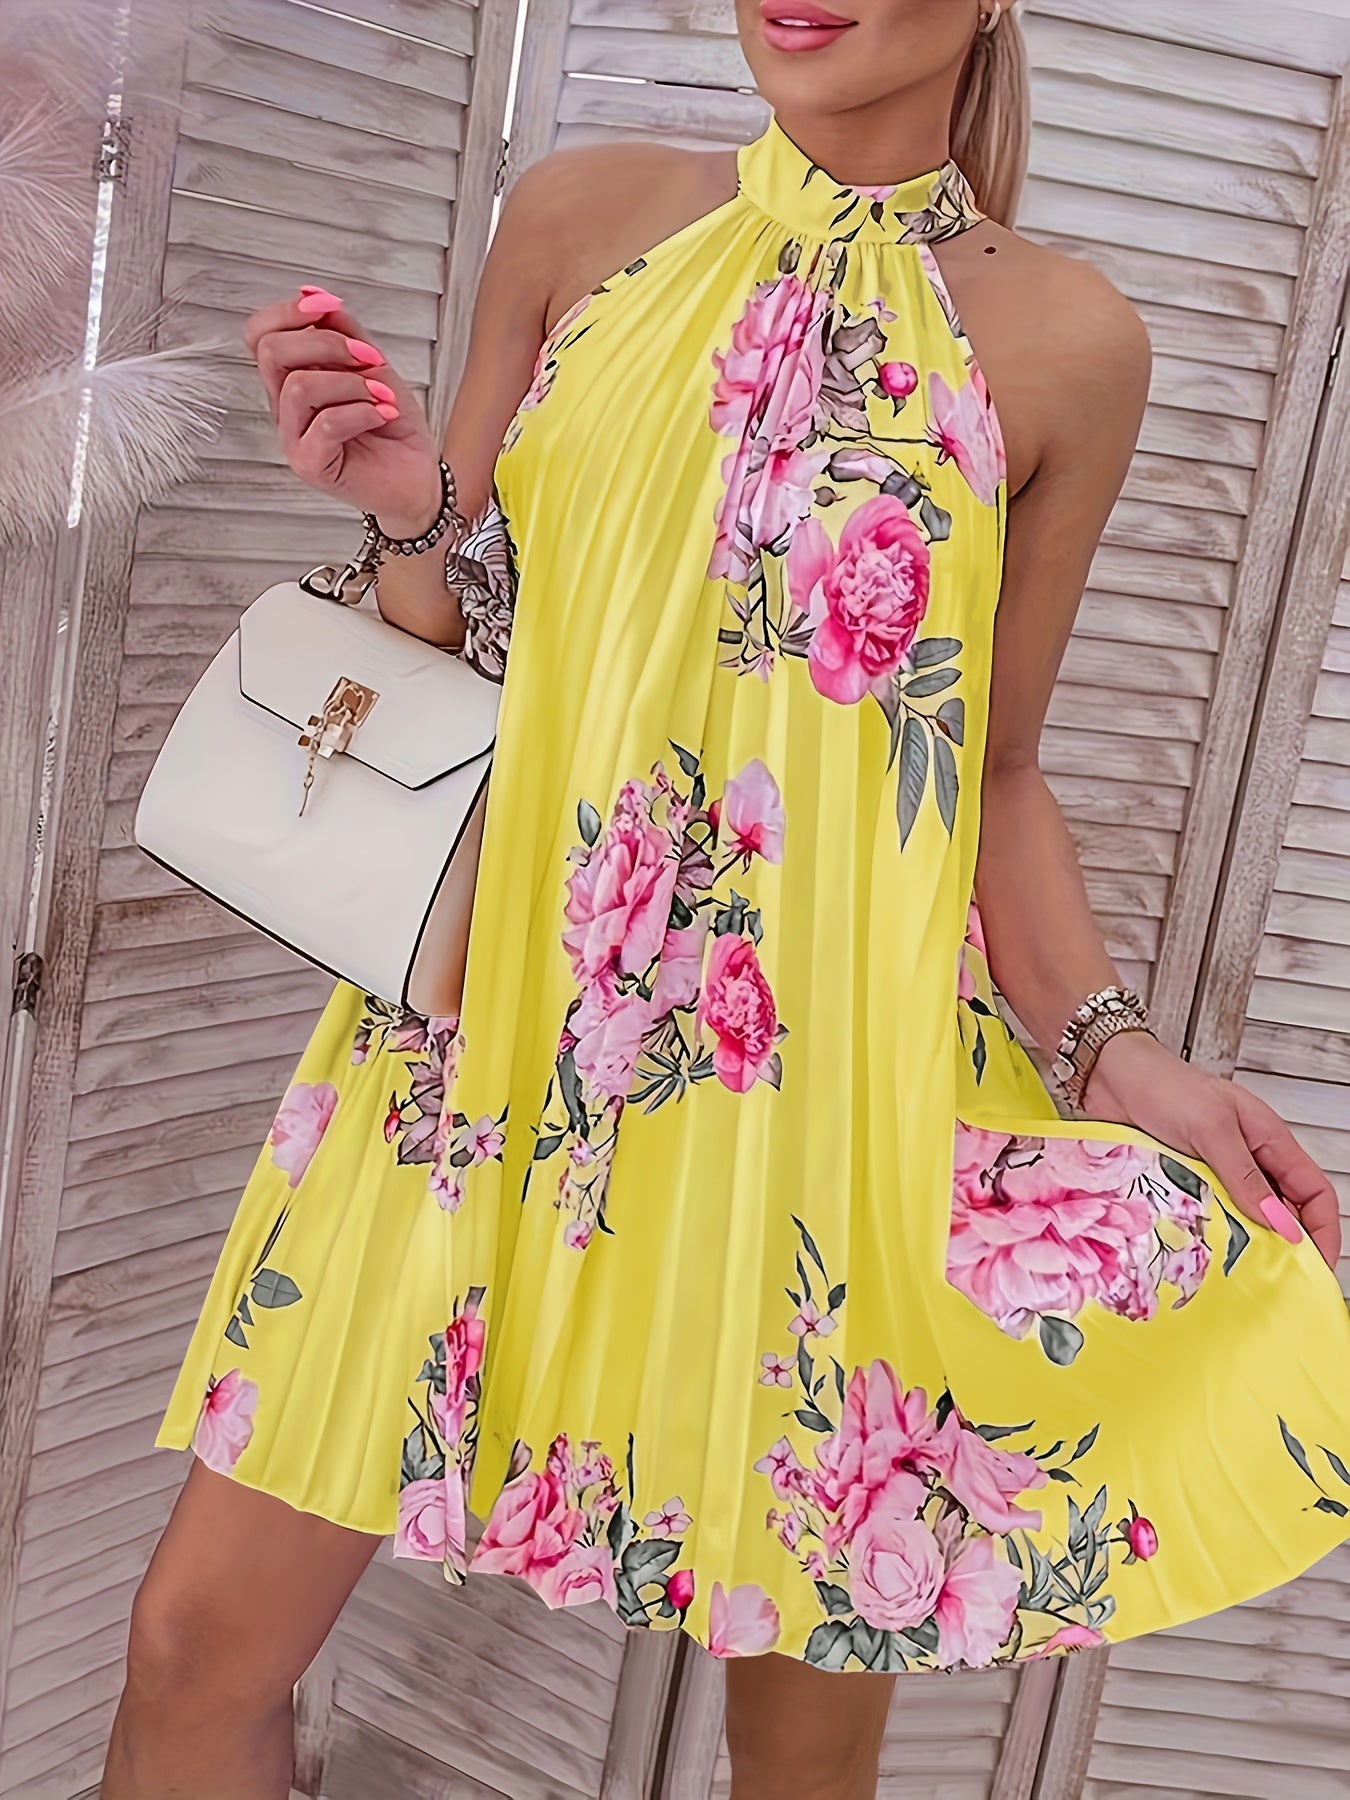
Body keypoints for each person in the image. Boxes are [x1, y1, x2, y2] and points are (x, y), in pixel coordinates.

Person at [104, 3, 1350, 1797]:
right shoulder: (580, 214)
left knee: (797, 1747)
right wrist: (402, 516)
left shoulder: (1069, 343)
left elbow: (990, 766)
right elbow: (446, 643)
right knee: (192, 1652)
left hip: (827, 1108)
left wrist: (1110, 1050)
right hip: (482, 1063)